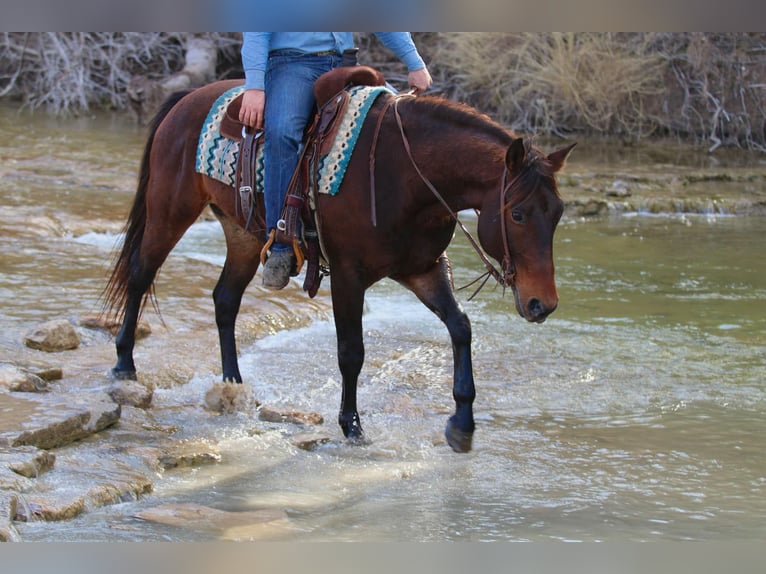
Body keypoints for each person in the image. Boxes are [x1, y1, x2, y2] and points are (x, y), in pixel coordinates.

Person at [239, 32, 433, 290]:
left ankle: (403, 229)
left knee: (398, 122)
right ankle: (281, 241)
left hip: (346, 65)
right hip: (292, 65)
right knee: (282, 133)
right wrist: (254, 86)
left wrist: (415, 62)